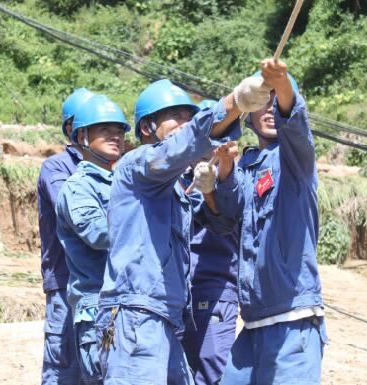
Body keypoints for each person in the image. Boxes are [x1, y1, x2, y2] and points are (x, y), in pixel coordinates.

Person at [96, 75, 271, 385]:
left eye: (189, 117)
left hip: (164, 317)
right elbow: (183, 145)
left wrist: (211, 189)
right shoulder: (137, 165)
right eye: (174, 116)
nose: (184, 122)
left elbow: (222, 222)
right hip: (134, 314)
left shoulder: (175, 191)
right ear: (148, 127)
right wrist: (235, 102)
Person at [212, 60, 328, 385]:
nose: (270, 109)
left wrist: (282, 85)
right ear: (247, 113)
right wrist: (222, 168)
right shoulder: (248, 166)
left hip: (293, 321)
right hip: (253, 324)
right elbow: (226, 212)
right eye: (263, 101)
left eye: (277, 101)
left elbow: (296, 127)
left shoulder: (295, 159)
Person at [55, 95, 130, 385]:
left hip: (125, 303)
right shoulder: (78, 187)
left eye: (119, 130)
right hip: (98, 307)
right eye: (104, 130)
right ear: (82, 137)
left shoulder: (124, 180)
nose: (115, 136)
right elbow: (99, 234)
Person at [178, 99, 239, 385]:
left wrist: (209, 190)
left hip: (214, 289)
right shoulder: (181, 178)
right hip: (182, 293)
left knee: (211, 373)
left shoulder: (229, 181)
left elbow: (221, 218)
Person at [37, 88, 95, 385]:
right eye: (94, 127)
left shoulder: (112, 167)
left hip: (98, 286)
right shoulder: (57, 167)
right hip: (64, 282)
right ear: (72, 129)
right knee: (64, 372)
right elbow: (75, 213)